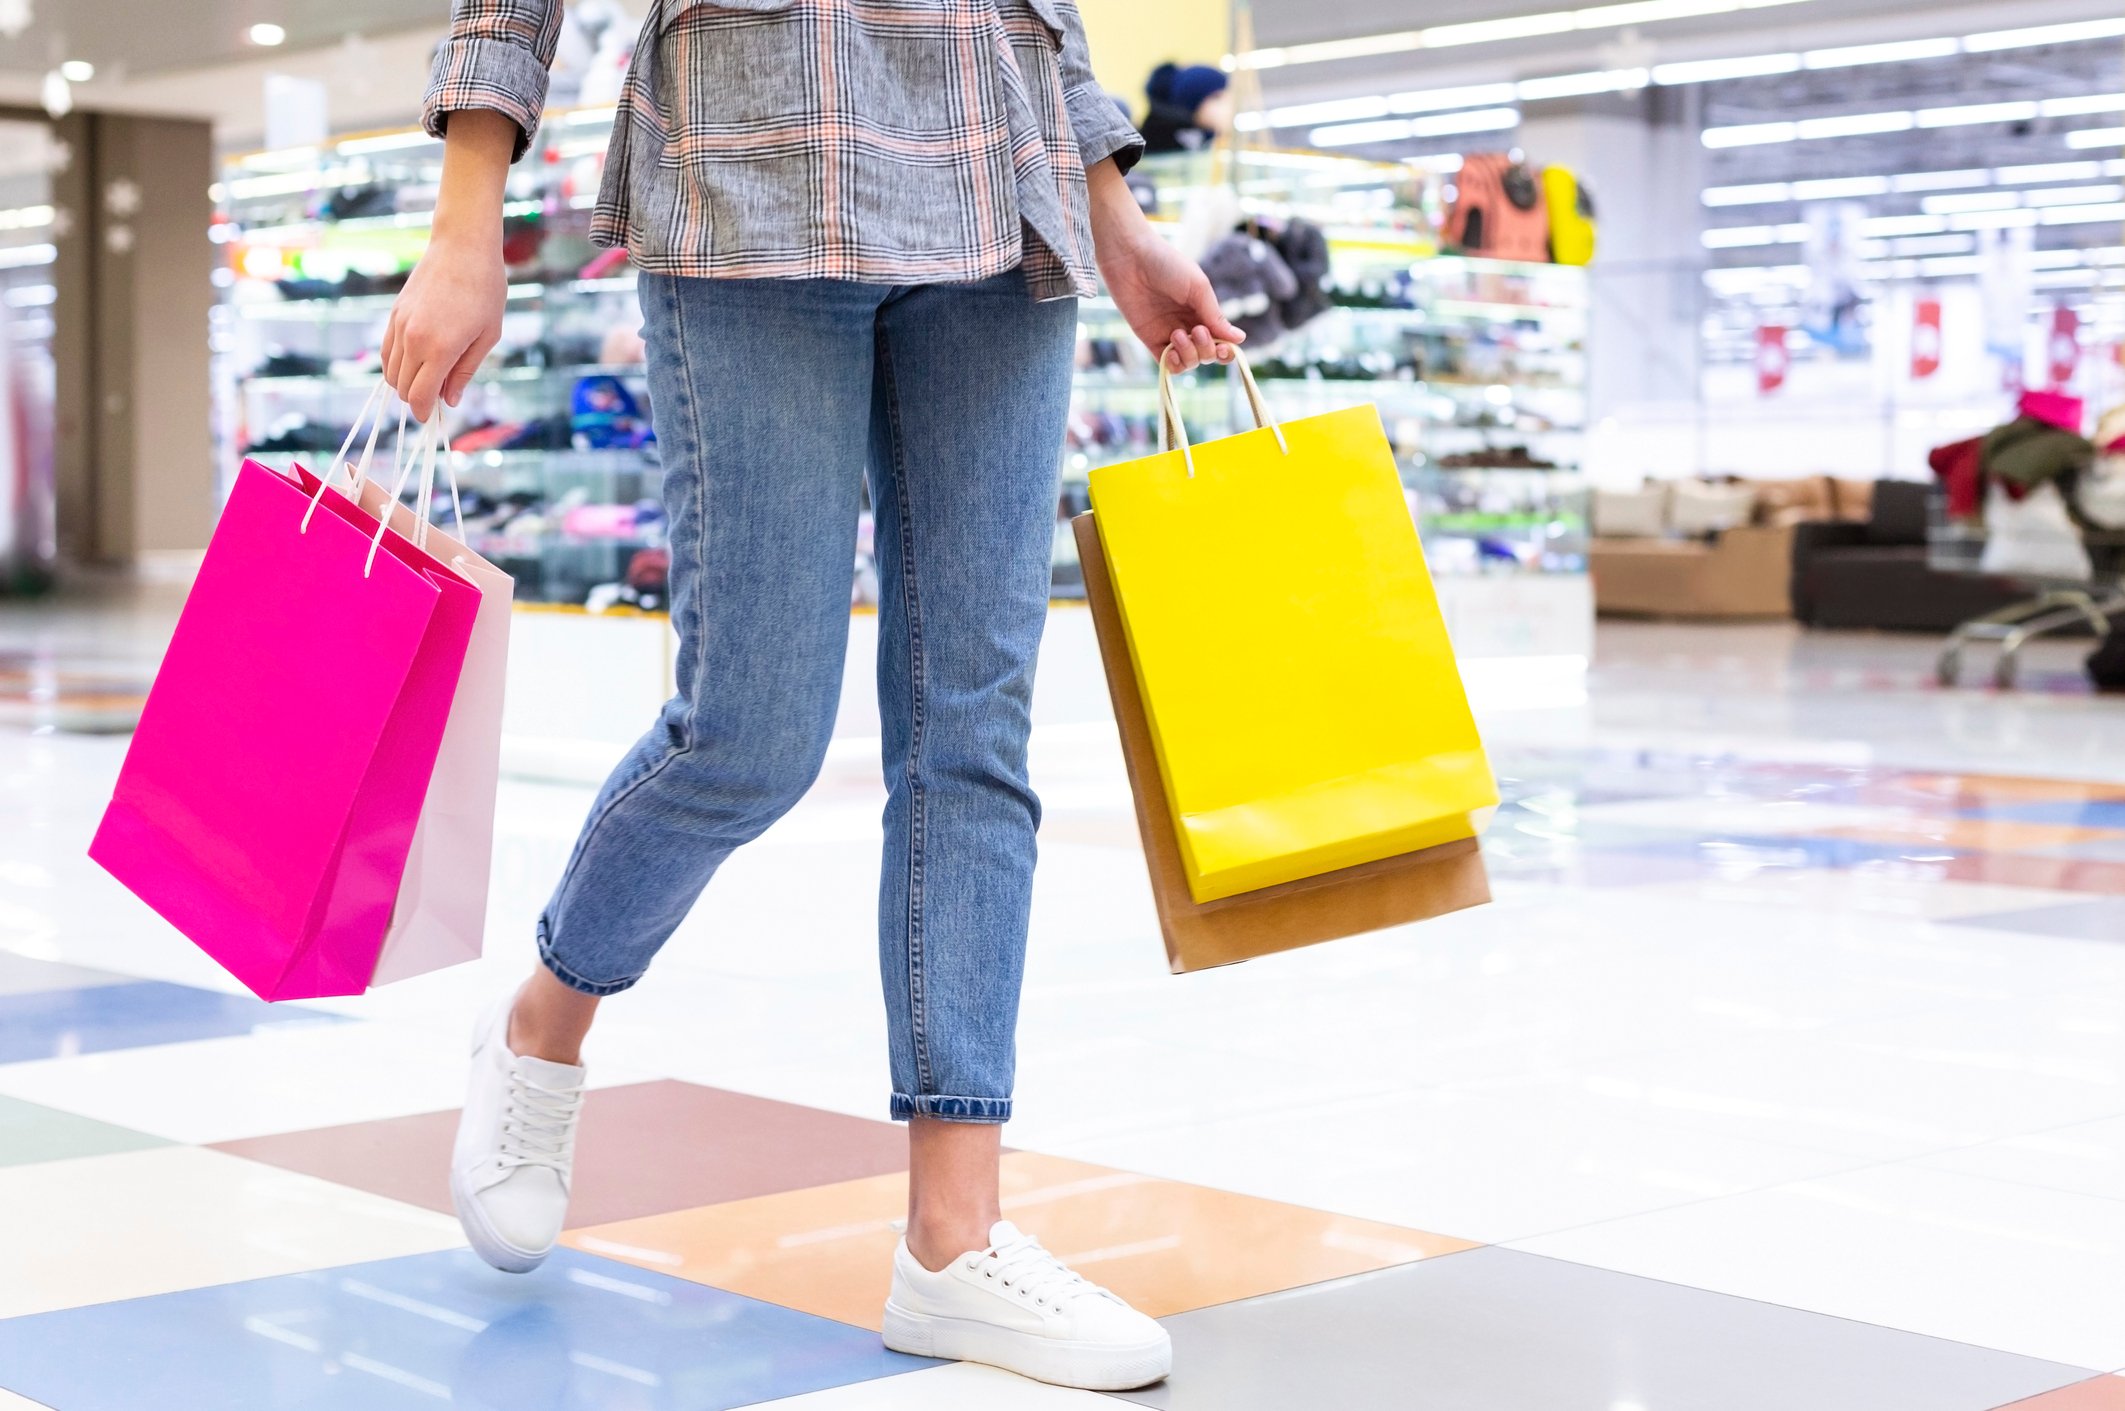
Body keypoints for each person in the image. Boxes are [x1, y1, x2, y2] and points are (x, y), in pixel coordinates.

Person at [384, 0, 1243, 1392]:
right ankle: (546, 1014)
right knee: (749, 731)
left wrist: (1113, 206)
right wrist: (461, 218)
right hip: (750, 173)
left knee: (976, 734)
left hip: (1000, 192)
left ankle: (952, 1239)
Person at [1138, 60, 1233, 155]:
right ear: (1193, 102)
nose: (1227, 104)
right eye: (1216, 97)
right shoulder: (1158, 140)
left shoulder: (1206, 138)